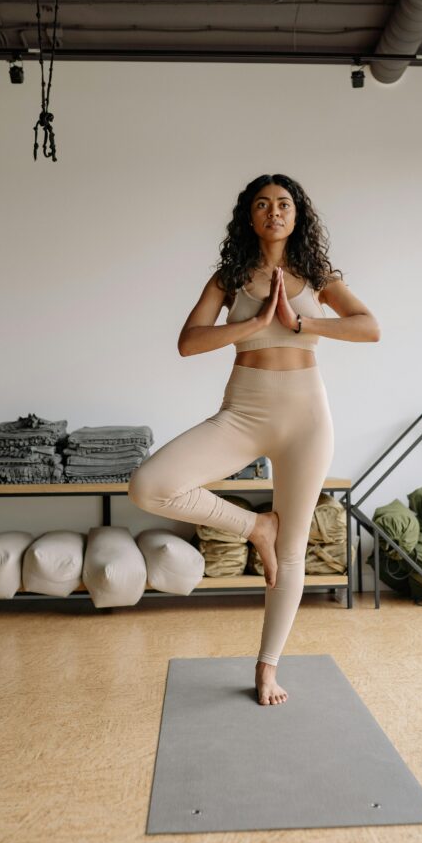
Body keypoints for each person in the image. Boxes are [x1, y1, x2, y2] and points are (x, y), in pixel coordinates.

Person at [128, 174, 380, 705]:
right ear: (249, 215)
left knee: (293, 551)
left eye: (284, 204)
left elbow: (368, 326)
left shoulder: (316, 275)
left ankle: (268, 667)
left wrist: (301, 321)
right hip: (244, 410)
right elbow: (188, 343)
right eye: (263, 204)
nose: (274, 212)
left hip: (306, 418)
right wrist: (251, 325)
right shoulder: (230, 277)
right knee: (149, 485)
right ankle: (254, 527)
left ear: (297, 215)